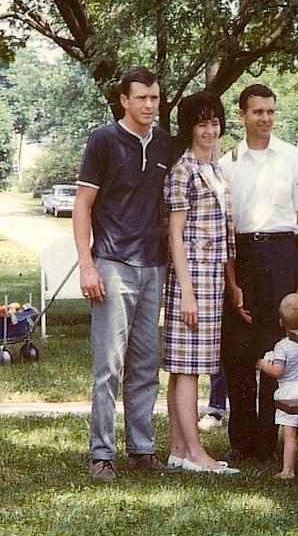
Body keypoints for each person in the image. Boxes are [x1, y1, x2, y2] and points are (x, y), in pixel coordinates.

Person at [73, 67, 176, 481]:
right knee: (109, 366)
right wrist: (86, 264)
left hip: (154, 264)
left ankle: (142, 448)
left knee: (147, 363)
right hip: (113, 264)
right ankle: (102, 454)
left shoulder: (167, 143)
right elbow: (82, 206)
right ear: (124, 100)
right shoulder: (103, 140)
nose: (150, 105)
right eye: (142, 98)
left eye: (155, 98)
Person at [220, 83, 298, 463]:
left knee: (276, 349)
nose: (265, 118)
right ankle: (241, 440)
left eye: (270, 111)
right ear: (243, 114)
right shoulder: (227, 162)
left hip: (282, 254)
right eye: (257, 111)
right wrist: (232, 281)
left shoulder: (293, 157)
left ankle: (267, 440)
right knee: (240, 351)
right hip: (242, 255)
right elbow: (226, 227)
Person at [163, 90, 238, 474]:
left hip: (214, 277)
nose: (209, 131)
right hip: (191, 278)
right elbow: (174, 235)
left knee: (187, 365)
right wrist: (187, 292)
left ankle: (179, 448)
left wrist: (232, 282)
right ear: (189, 128)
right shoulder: (184, 170)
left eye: (214, 123)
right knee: (189, 366)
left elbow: (225, 233)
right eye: (202, 124)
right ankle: (195, 453)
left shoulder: (217, 169)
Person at [258, 294, 298, 479]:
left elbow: (278, 371)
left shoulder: (282, 347)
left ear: (280, 322)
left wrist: (263, 364)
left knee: (290, 435)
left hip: (290, 391)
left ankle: (288, 470)